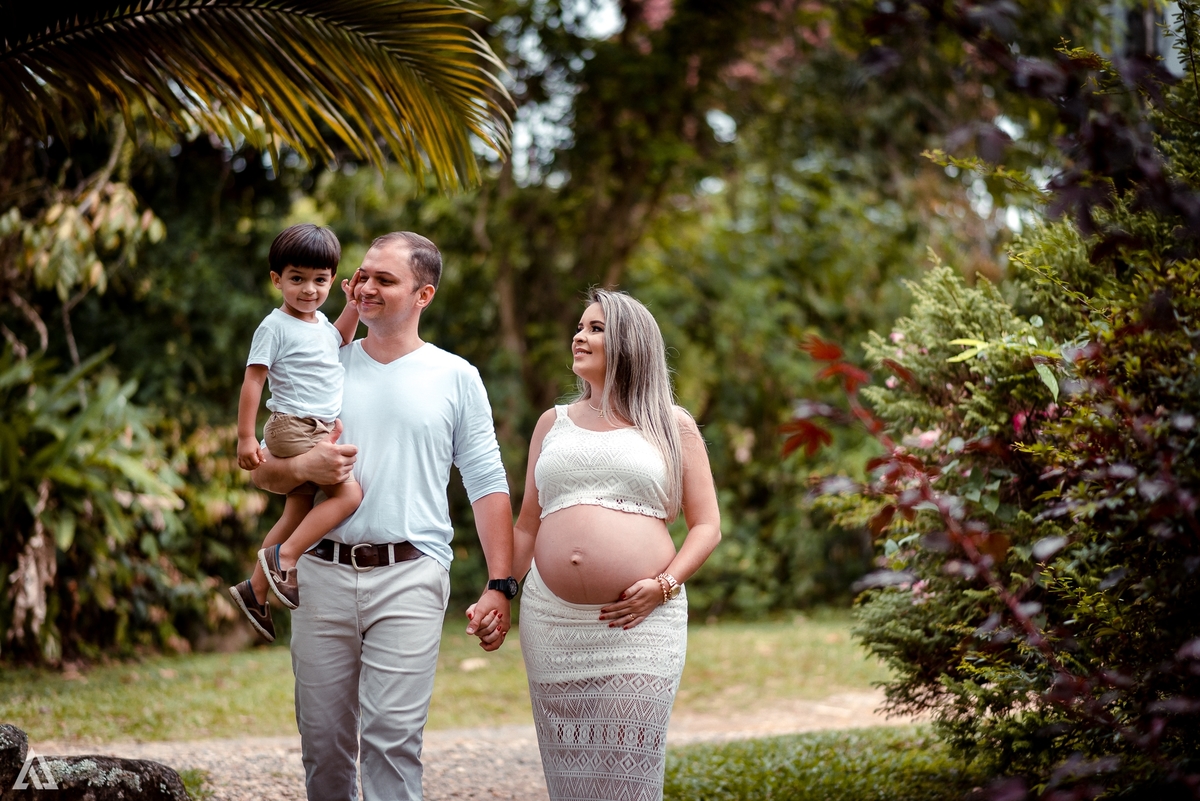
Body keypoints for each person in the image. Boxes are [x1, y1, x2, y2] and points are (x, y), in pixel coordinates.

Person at [250, 231, 517, 801]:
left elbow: (487, 481)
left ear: (424, 295)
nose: (365, 287)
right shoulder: (322, 360)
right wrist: (309, 467)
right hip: (319, 575)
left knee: (393, 742)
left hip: (412, 573)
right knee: (322, 745)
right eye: (362, 275)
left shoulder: (456, 376)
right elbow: (263, 475)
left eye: (384, 279)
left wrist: (500, 583)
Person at [485, 288, 721, 801]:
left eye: (596, 328)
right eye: (579, 326)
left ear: (631, 344)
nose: (579, 335)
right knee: (570, 777)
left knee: (629, 770)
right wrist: (500, 590)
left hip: (640, 621)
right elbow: (527, 523)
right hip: (553, 623)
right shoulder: (553, 424)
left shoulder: (671, 424)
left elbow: (707, 526)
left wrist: (664, 585)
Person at [228, 224, 363, 640]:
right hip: (293, 425)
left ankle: (255, 589)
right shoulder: (275, 327)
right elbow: (253, 381)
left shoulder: (321, 323)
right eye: (297, 279)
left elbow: (338, 338)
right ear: (277, 280)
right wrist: (246, 437)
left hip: (313, 426)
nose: (309, 290)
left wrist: (353, 304)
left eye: (320, 280)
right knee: (349, 495)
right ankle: (284, 557)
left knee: (297, 510)